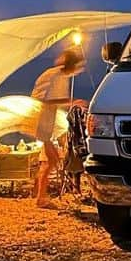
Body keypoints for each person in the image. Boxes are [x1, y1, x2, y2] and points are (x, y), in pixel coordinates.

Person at [31, 46, 87, 209]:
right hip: (41, 120)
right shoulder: (55, 76)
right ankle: (40, 197)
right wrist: (72, 101)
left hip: (46, 121)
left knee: (50, 161)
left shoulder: (58, 75)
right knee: (52, 160)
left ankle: (39, 194)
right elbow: (45, 100)